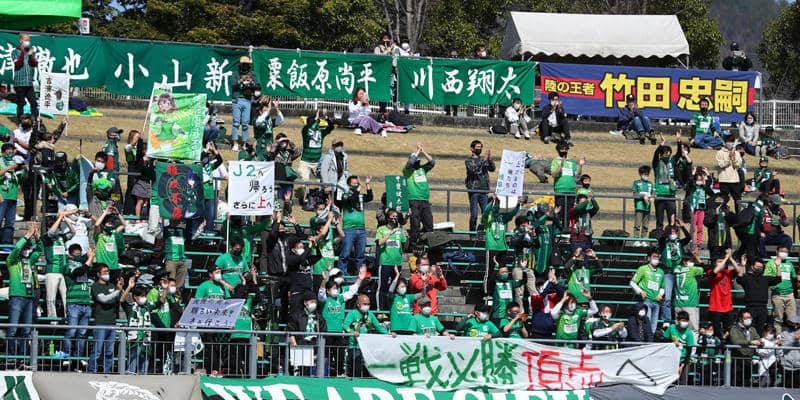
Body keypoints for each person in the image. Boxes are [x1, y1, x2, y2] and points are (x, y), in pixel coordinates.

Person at [5, 223, 42, 368]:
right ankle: (10, 358)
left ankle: (23, 359)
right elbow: (15, 250)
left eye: (28, 248)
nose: (26, 251)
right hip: (16, 297)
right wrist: (27, 235)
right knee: (13, 329)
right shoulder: (12, 261)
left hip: (29, 297)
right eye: (25, 248)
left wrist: (37, 237)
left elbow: (39, 251)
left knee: (26, 331)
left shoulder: (29, 261)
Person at [318, 268, 365, 376]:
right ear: (328, 291)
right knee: (325, 356)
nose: (336, 290)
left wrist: (360, 279)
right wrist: (324, 281)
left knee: (340, 356)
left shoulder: (340, 298)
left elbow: (352, 291)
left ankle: (339, 374)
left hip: (338, 332)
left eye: (336, 288)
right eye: (333, 289)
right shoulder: (325, 299)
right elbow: (320, 293)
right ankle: (323, 375)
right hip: (327, 332)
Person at [61, 244, 95, 371]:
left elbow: (93, 270)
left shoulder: (84, 264)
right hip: (74, 304)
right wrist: (89, 259)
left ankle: (78, 358)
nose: (78, 256)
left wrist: (92, 256)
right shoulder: (67, 265)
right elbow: (78, 272)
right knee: (71, 332)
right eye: (76, 254)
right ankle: (66, 357)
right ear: (70, 255)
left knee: (82, 334)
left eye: (80, 254)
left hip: (86, 304)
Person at [482, 194, 521, 296]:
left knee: (503, 271)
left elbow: (512, 214)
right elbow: (486, 211)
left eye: (498, 204)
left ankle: (501, 292)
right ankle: (487, 293)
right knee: (490, 272)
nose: (497, 206)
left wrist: (518, 204)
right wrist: (492, 202)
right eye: (496, 204)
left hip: (503, 248)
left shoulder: (502, 218)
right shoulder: (487, 218)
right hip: (492, 248)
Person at [88, 264, 123, 374]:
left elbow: (118, 299)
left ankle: (107, 371)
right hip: (100, 323)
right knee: (97, 350)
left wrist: (121, 289)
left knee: (109, 351)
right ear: (98, 274)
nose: (107, 273)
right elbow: (103, 299)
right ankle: (92, 370)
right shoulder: (95, 286)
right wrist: (116, 292)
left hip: (112, 322)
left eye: (108, 271)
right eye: (104, 271)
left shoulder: (112, 285)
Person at [343, 295, 390, 377]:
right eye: (364, 304)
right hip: (354, 346)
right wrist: (352, 332)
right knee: (356, 368)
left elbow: (379, 327)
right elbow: (345, 325)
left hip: (366, 347)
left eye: (368, 304)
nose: (367, 306)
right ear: (358, 304)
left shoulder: (370, 314)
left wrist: (389, 335)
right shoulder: (352, 313)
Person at [335, 176, 373, 275]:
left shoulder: (359, 196)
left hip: (361, 229)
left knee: (360, 254)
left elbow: (370, 197)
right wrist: (358, 189)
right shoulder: (345, 195)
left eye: (357, 183)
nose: (356, 185)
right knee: (345, 253)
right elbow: (352, 199)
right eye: (354, 183)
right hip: (349, 229)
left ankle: (359, 274)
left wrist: (367, 184)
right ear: (349, 185)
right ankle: (342, 273)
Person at [735, 257, 781, 334]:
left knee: (760, 331)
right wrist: (742, 265)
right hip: (750, 308)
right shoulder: (747, 277)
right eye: (757, 266)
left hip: (763, 308)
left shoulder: (765, 278)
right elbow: (739, 279)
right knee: (750, 331)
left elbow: (778, 279)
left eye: (761, 267)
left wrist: (778, 266)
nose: (759, 268)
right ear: (752, 267)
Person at [287, 292, 327, 376]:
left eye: (315, 302)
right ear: (305, 303)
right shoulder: (297, 315)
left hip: (314, 344)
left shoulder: (319, 317)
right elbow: (290, 331)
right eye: (311, 301)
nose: (314, 304)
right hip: (300, 344)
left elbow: (323, 332)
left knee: (312, 370)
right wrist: (295, 345)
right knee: (302, 369)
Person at [297, 108, 333, 201]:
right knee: (304, 181)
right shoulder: (305, 131)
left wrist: (326, 117)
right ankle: (304, 199)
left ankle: (319, 199)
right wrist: (316, 118)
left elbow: (331, 127)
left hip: (317, 162)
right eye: (316, 122)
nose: (317, 123)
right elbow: (309, 127)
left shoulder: (321, 132)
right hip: (305, 162)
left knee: (320, 181)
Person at [403, 142, 435, 246]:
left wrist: (423, 151)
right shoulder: (407, 171)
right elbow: (410, 163)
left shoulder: (422, 169)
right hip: (413, 200)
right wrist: (417, 152)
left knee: (429, 224)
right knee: (415, 225)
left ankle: (427, 245)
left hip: (425, 200)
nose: (417, 163)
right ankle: (413, 245)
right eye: (416, 161)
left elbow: (432, 162)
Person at [659, 222, 691, 323]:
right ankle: (667, 321)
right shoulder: (663, 243)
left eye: (675, 232)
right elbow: (661, 238)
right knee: (667, 298)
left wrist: (682, 227)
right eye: (671, 232)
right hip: (668, 273)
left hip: (679, 273)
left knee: (680, 297)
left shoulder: (680, 243)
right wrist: (668, 229)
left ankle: (681, 319)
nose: (673, 234)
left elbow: (689, 237)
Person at [630, 249, 665, 335]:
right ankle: (645, 340)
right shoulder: (643, 269)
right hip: (646, 302)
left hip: (656, 302)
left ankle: (651, 340)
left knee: (653, 326)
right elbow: (632, 283)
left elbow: (662, 287)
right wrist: (640, 292)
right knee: (646, 324)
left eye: (657, 257)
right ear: (649, 258)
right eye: (654, 257)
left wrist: (660, 294)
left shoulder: (661, 272)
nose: (656, 259)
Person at [376, 209, 406, 310]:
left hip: (397, 263)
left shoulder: (400, 230)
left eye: (396, 217)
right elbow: (379, 243)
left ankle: (392, 309)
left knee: (395, 287)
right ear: (388, 218)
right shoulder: (381, 229)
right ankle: (381, 311)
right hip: (385, 262)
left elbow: (405, 246)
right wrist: (390, 234)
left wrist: (407, 237)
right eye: (393, 216)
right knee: (382, 287)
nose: (395, 219)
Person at [765, 246, 798, 334]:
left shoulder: (789, 263)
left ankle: (792, 337)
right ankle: (779, 337)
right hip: (777, 295)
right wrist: (777, 267)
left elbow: (794, 277)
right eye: (782, 251)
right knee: (778, 319)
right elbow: (767, 278)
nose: (784, 253)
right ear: (777, 252)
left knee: (793, 319)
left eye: (786, 252)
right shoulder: (770, 263)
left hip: (790, 294)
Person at [551, 141, 584, 228]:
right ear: (558, 150)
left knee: (568, 213)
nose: (564, 150)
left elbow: (577, 174)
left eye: (566, 149)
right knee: (559, 211)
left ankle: (565, 229)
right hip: (560, 190)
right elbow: (553, 174)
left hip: (571, 190)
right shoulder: (555, 161)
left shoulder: (571, 162)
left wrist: (580, 166)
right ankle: (557, 229)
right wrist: (561, 165)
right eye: (562, 149)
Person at [464, 140, 495, 232]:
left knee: (486, 213)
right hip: (474, 190)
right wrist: (484, 160)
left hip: (484, 190)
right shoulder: (468, 161)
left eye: (481, 147)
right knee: (474, 214)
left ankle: (481, 231)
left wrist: (489, 159)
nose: (479, 149)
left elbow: (492, 169)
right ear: (472, 148)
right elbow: (473, 170)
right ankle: (472, 234)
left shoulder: (483, 159)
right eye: (477, 147)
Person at [707, 250, 738, 340]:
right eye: (719, 262)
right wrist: (725, 258)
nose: (722, 263)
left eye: (722, 262)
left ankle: (726, 344)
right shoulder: (710, 272)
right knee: (717, 331)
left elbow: (738, 270)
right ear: (715, 263)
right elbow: (714, 272)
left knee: (729, 330)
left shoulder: (728, 273)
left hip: (727, 306)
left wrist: (730, 257)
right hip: (715, 306)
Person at [230, 56, 259, 152]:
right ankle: (235, 143)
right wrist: (240, 81)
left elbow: (258, 86)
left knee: (245, 123)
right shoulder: (235, 74)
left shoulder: (253, 74)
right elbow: (233, 85)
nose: (245, 66)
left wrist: (251, 82)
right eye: (243, 64)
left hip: (247, 100)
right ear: (240, 64)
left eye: (247, 64)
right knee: (236, 122)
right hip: (237, 99)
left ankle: (244, 144)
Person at [729, 310, 762, 386]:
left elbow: (757, 338)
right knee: (736, 382)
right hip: (737, 359)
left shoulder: (752, 329)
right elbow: (735, 341)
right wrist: (750, 342)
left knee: (746, 382)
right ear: (740, 319)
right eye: (746, 318)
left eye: (750, 317)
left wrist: (760, 341)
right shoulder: (734, 329)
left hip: (748, 359)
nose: (749, 319)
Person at [672, 253, 705, 331]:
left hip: (678, 303)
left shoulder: (676, 269)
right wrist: (697, 257)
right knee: (693, 329)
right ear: (685, 261)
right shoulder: (692, 270)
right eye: (691, 261)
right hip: (690, 303)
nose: (692, 263)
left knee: (679, 329)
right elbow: (704, 267)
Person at [12, 33, 38, 122]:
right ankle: (20, 122)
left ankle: (36, 121)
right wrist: (23, 52)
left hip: (29, 82)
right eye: (26, 40)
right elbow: (18, 64)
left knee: (34, 102)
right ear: (21, 41)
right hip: (19, 82)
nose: (28, 42)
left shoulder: (30, 51)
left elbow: (35, 64)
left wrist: (30, 55)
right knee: (21, 103)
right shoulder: (15, 52)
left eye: (29, 40)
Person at [704, 193, 737, 261]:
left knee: (725, 263)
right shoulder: (710, 210)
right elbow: (707, 223)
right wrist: (715, 215)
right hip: (715, 243)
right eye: (718, 199)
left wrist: (730, 212)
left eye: (721, 199)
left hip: (725, 243)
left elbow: (734, 221)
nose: (720, 201)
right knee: (715, 263)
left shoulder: (726, 210)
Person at [651, 144, 677, 232]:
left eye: (669, 154)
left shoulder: (671, 162)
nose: (667, 155)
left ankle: (672, 236)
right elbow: (655, 155)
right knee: (659, 220)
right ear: (661, 154)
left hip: (671, 195)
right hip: (660, 194)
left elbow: (678, 155)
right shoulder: (657, 163)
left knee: (672, 220)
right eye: (665, 153)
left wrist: (678, 141)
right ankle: (659, 236)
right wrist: (660, 146)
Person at [662, 311, 696, 376]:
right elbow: (664, 340)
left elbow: (689, 351)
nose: (685, 322)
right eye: (683, 320)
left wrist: (682, 365)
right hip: (671, 359)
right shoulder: (672, 327)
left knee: (682, 380)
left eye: (686, 321)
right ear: (678, 321)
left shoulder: (689, 333)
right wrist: (672, 343)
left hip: (683, 360)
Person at [759, 195, 792, 259]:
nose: (777, 206)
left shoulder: (780, 210)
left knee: (787, 239)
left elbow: (786, 224)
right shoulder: (762, 210)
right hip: (765, 235)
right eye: (776, 204)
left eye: (778, 204)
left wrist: (782, 221)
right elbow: (756, 223)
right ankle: (765, 258)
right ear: (769, 203)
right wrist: (759, 232)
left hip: (777, 234)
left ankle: (782, 257)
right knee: (759, 240)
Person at [253, 96, 284, 160]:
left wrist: (276, 108)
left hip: (270, 147)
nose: (267, 112)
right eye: (264, 110)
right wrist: (268, 111)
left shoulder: (269, 120)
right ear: (260, 111)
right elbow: (259, 122)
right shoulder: (256, 119)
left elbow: (280, 120)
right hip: (260, 147)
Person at [631, 165, 655, 246]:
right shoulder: (636, 182)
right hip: (639, 206)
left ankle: (643, 240)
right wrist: (643, 196)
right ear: (640, 174)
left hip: (647, 207)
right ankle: (636, 240)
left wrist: (653, 197)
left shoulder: (650, 184)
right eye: (645, 174)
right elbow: (635, 194)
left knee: (645, 225)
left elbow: (653, 193)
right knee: (637, 224)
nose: (646, 176)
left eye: (647, 174)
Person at [779, 315, 800, 388]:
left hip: (799, 366)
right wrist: (794, 340)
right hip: (787, 366)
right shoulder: (784, 334)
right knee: (787, 389)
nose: (793, 325)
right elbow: (784, 347)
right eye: (791, 322)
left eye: (795, 323)